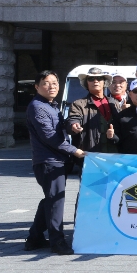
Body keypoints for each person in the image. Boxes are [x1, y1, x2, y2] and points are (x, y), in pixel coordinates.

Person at [25, 70, 85, 255]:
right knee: (56, 201)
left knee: (50, 199)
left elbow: (59, 128)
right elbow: (50, 137)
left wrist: (71, 126)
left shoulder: (51, 105)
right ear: (37, 87)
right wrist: (74, 151)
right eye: (46, 83)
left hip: (57, 160)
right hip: (48, 162)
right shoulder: (38, 107)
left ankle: (34, 238)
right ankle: (57, 242)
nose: (52, 87)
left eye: (55, 83)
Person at [67, 67, 121, 156]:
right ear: (86, 83)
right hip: (89, 156)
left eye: (99, 78)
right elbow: (73, 119)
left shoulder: (114, 103)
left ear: (104, 82)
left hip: (113, 156)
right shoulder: (78, 104)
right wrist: (73, 125)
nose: (95, 81)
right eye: (91, 79)